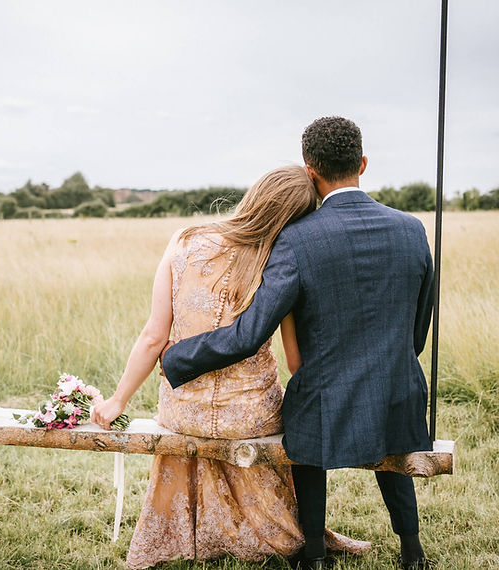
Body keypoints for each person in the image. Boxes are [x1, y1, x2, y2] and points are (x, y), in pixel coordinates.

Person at [161, 116, 435, 570]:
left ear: (310, 169)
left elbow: (249, 335)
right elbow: (418, 332)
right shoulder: (412, 230)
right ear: (362, 163)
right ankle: (412, 549)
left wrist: (176, 355)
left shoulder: (297, 239)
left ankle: (313, 555)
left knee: (305, 423)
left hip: (324, 403)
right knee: (388, 429)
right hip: (398, 395)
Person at [91, 165, 370, 569]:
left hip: (182, 410)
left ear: (255, 194)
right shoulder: (279, 263)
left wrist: (119, 400)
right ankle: (275, 529)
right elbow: (295, 361)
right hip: (250, 414)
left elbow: (154, 336)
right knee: (274, 418)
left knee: (192, 421)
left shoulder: (185, 240)